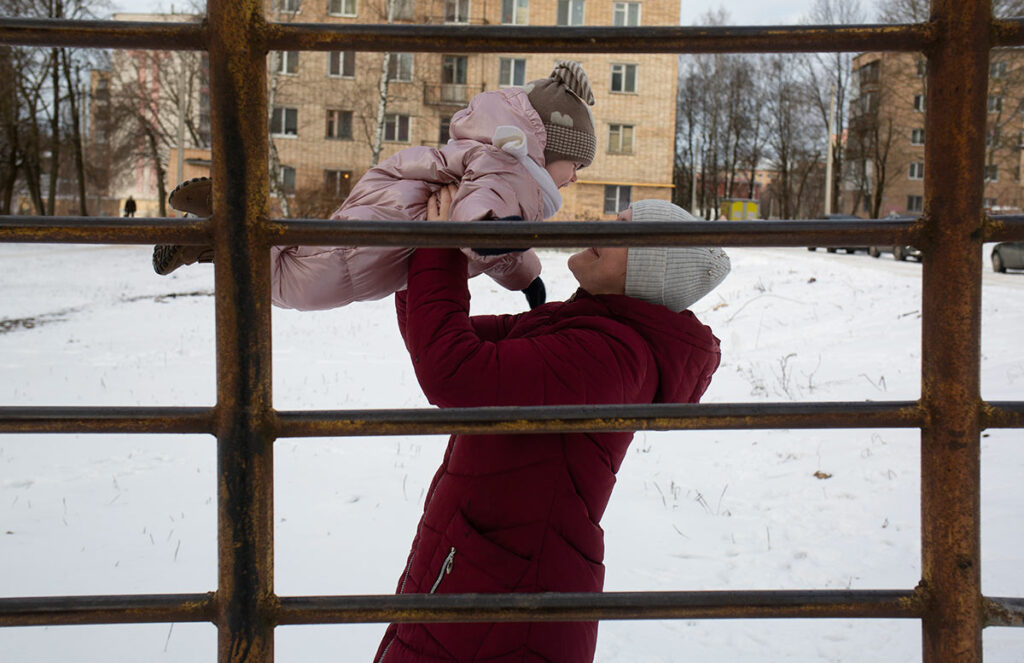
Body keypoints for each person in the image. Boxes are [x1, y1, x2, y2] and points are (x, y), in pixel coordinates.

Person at [374, 190, 730, 662]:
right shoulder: (576, 324)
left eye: (624, 228)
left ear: (650, 270)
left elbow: (452, 371)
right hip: (487, 572)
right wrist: (425, 257)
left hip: (512, 599)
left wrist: (437, 248)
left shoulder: (610, 355)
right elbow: (439, 340)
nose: (603, 226)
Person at [152, 61, 599, 311]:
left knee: (292, 263)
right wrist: (488, 232)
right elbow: (483, 209)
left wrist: (528, 278)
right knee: (293, 285)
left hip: (387, 205)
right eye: (576, 164)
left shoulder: (506, 162)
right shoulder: (511, 166)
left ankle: (213, 238)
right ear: (549, 150)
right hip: (388, 230)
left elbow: (508, 244)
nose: (575, 177)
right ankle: (229, 218)